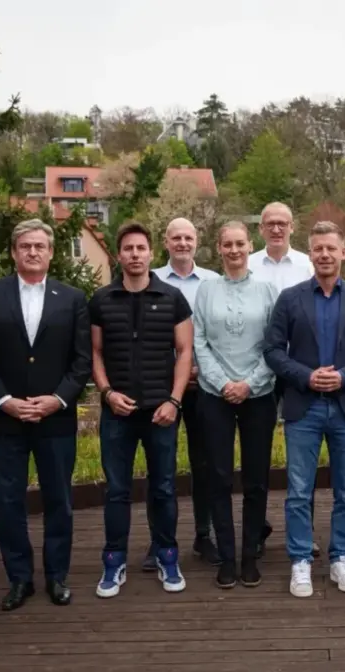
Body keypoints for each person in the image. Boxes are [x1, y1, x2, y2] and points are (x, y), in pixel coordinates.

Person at [0, 219, 92, 610]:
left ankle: (57, 577)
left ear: (52, 252)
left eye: (40, 246)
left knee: (59, 500)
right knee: (8, 503)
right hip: (5, 420)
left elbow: (82, 360)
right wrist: (3, 400)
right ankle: (19, 579)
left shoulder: (72, 298)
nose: (33, 252)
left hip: (55, 419)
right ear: (13, 252)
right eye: (25, 246)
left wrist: (59, 399)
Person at [264, 220, 345, 598]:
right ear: (310, 252)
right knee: (299, 491)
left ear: (343, 252)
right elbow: (272, 350)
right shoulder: (290, 298)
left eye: (331, 248)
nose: (325, 254)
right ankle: (301, 560)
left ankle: (341, 558)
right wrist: (306, 376)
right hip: (304, 407)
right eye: (318, 249)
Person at [90, 222, 194, 597]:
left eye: (141, 248)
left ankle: (167, 556)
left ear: (152, 254)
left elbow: (184, 352)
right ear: (119, 256)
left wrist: (174, 400)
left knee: (164, 488)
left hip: (160, 412)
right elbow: (96, 353)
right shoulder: (101, 300)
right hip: (117, 412)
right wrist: (106, 393)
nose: (135, 254)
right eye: (128, 249)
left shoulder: (172, 298)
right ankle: (114, 560)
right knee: (116, 490)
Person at [193, 222, 279, 589]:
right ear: (218, 248)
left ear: (250, 245)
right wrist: (225, 383)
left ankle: (249, 553)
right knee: (219, 476)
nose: (233, 250)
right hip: (215, 396)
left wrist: (250, 383)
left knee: (256, 479)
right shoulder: (206, 290)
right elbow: (199, 341)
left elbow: (275, 343)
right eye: (227, 244)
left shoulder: (266, 289)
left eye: (240, 244)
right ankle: (226, 556)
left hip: (258, 395)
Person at [249, 201, 320, 558]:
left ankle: (304, 533)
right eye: (270, 223)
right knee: (258, 455)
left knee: (303, 457)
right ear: (260, 228)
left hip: (301, 370)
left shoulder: (309, 265)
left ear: (293, 227)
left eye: (283, 223)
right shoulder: (247, 266)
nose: (276, 229)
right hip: (257, 369)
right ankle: (257, 530)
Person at [152, 217, 221, 567]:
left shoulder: (213, 281)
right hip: (160, 388)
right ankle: (158, 541)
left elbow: (218, 333)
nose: (182, 243)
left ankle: (203, 535)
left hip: (205, 386)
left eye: (188, 237)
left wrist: (200, 368)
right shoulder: (150, 280)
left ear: (198, 241)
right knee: (159, 465)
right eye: (175, 237)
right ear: (165, 241)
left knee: (204, 463)